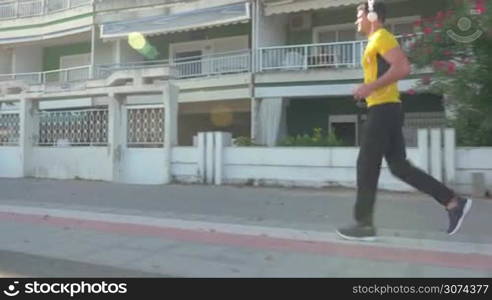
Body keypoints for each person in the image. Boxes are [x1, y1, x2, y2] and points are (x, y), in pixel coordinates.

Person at [336, 0, 472, 241]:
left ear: (373, 16)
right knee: (399, 166)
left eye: (359, 15)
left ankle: (363, 224)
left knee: (366, 165)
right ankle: (453, 202)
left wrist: (369, 87)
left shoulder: (381, 37)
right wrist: (367, 90)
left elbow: (402, 67)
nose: (355, 20)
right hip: (386, 108)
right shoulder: (374, 41)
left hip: (384, 110)